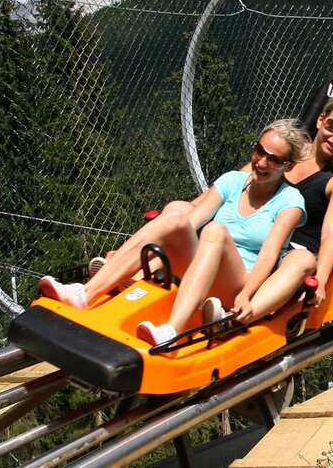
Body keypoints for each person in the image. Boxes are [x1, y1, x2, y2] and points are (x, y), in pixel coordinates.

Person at [38, 119, 310, 345]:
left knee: (215, 230)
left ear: (287, 166)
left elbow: (269, 255)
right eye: (259, 151)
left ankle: (171, 329)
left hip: (237, 281)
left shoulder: (290, 202)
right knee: (176, 218)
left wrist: (246, 294)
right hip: (202, 265)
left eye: (273, 160)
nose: (261, 162)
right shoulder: (232, 181)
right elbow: (190, 221)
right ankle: (86, 293)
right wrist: (127, 253)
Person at [213, 94, 333, 324]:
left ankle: (236, 318)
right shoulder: (287, 153)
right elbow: (239, 184)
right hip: (260, 237)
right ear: (320, 121)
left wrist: (322, 280)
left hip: (294, 252)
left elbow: (332, 233)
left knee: (301, 261)